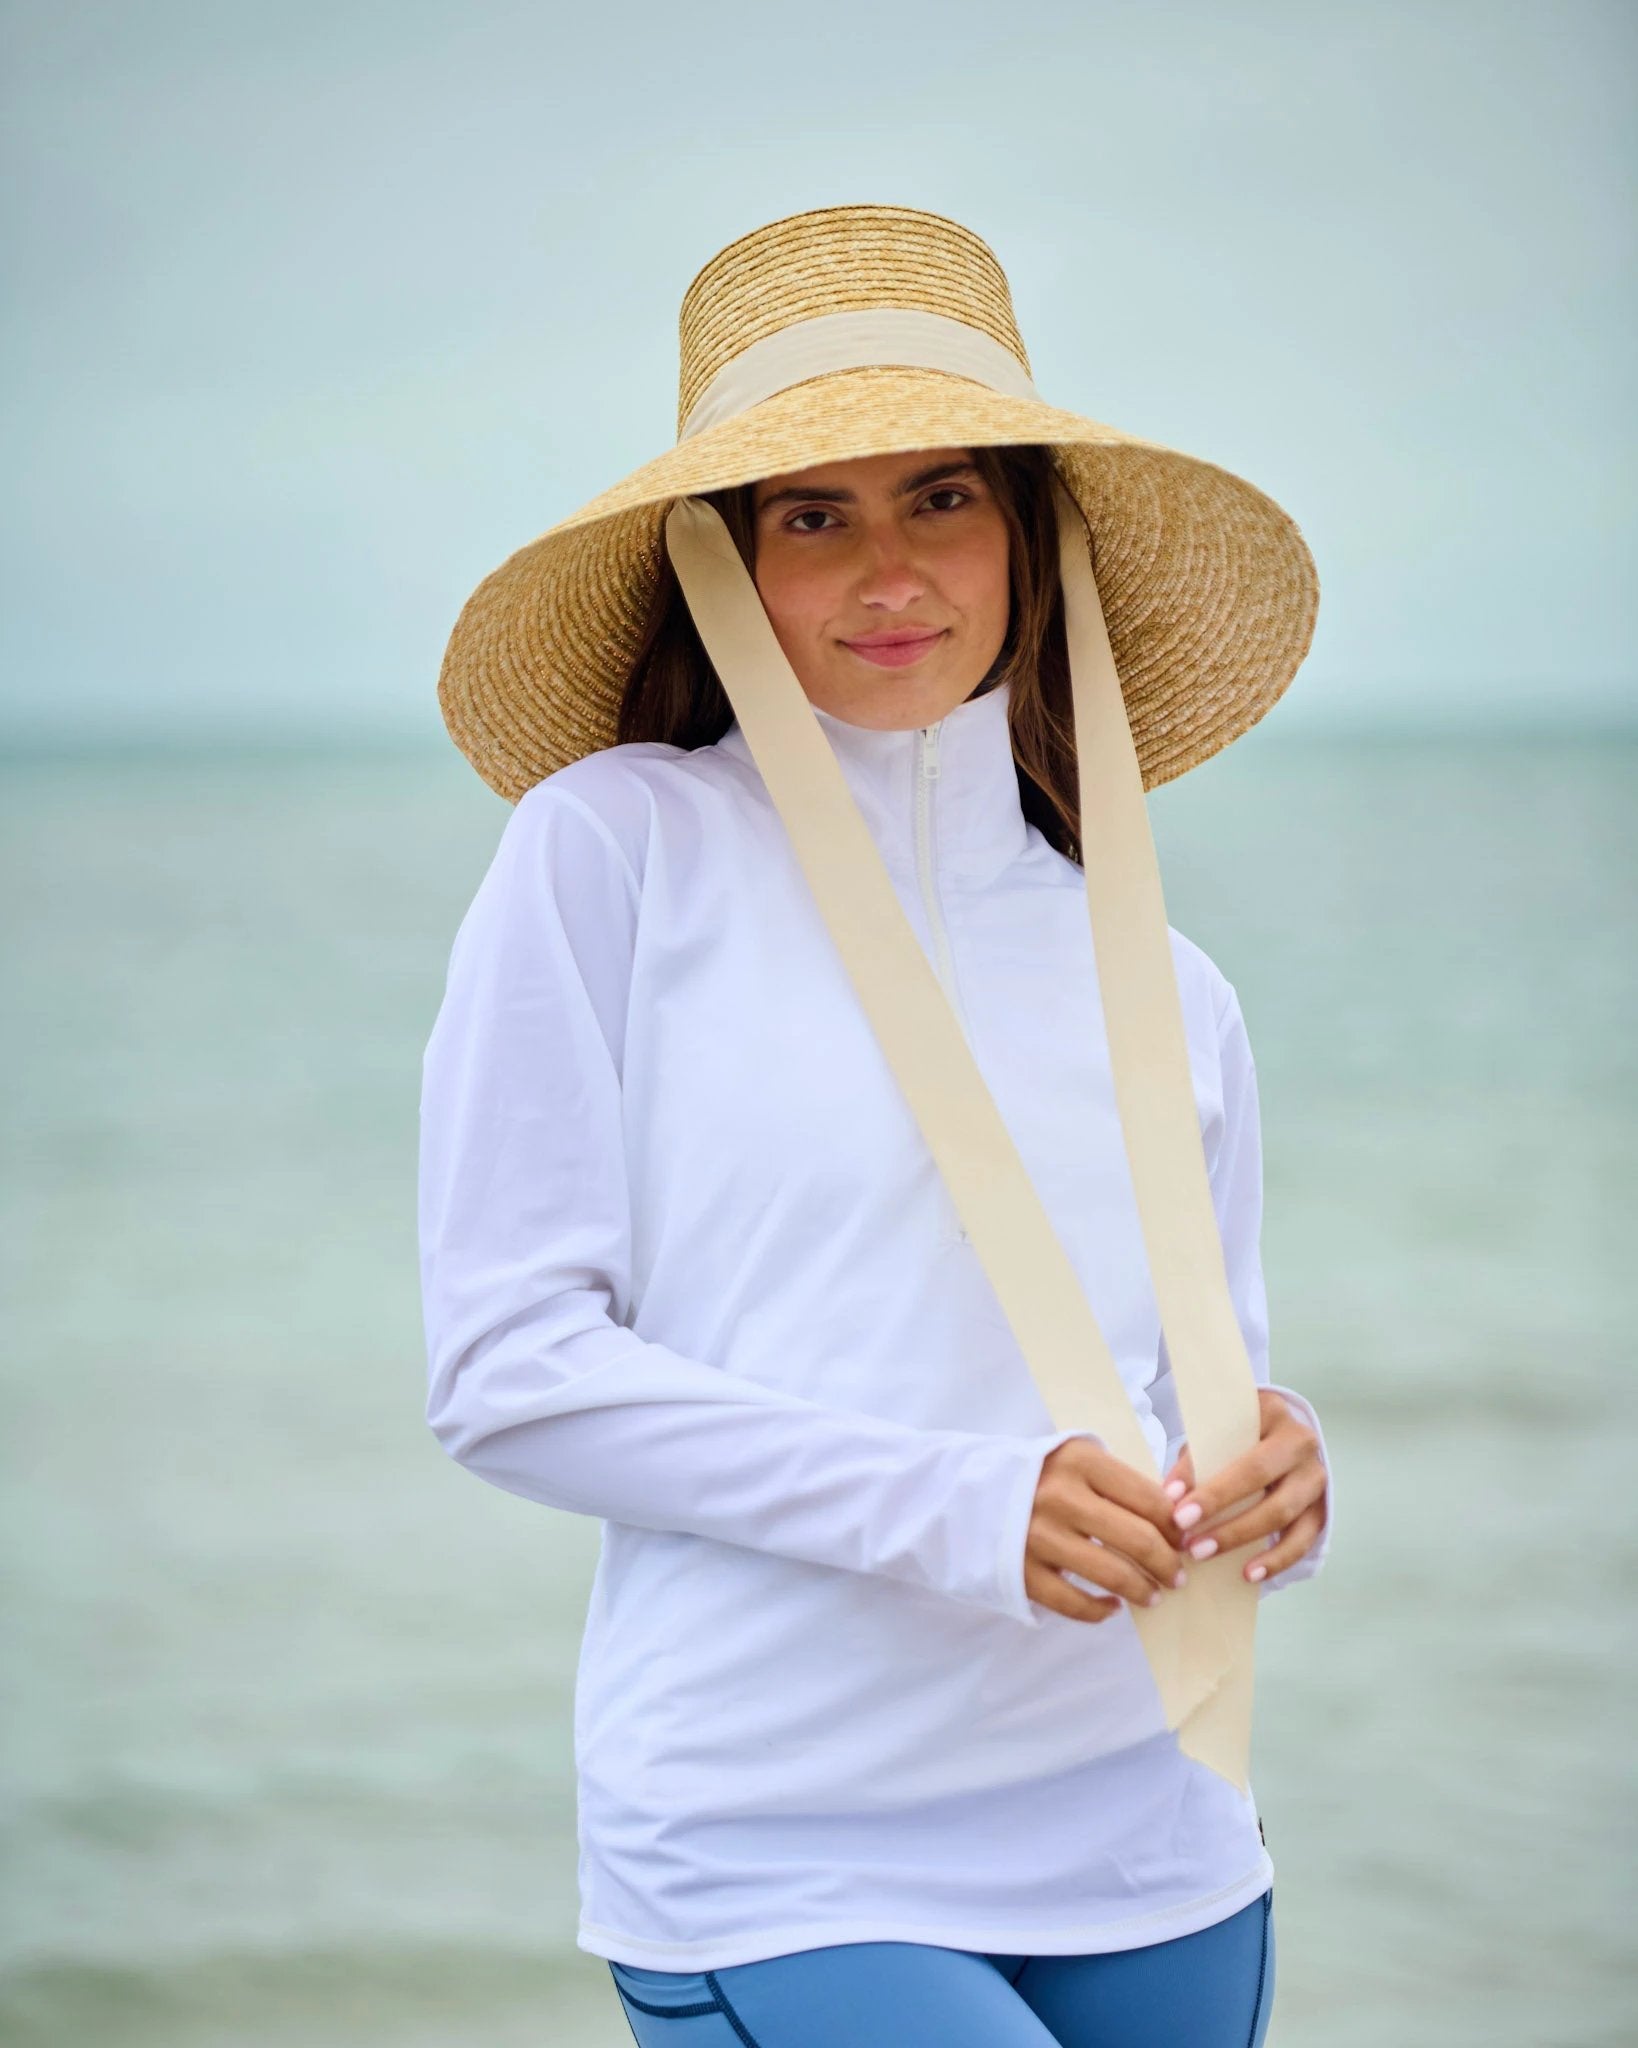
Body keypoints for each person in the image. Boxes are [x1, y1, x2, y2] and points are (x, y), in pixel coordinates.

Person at [418, 203, 1335, 2047]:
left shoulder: (1165, 977)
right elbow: (507, 1372)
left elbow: (1178, 1393)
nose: (888, 572)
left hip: (1154, 1835)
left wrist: (1283, 1470)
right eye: (808, 515)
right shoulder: (611, 856)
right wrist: (962, 1508)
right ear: (718, 562)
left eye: (941, 497)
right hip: (781, 1842)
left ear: (1033, 531)